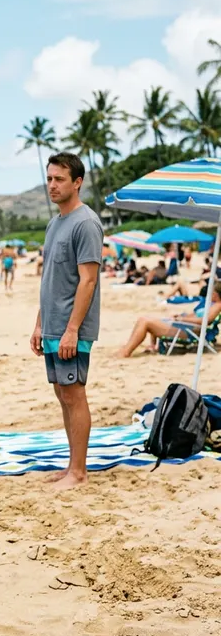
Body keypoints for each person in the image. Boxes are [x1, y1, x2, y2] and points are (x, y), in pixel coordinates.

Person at [30, 153, 102, 491]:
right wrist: (39, 324)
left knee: (74, 394)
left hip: (72, 327)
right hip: (53, 325)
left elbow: (88, 280)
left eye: (59, 179)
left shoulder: (86, 223)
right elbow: (50, 279)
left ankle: (79, 472)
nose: (52, 185)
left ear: (77, 182)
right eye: (49, 179)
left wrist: (72, 330)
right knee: (62, 394)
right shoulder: (54, 224)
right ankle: (71, 466)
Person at [116, 282, 221, 357]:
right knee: (147, 319)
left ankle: (125, 352)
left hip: (190, 331)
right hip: (187, 328)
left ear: (216, 294)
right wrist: (180, 317)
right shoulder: (211, 304)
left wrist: (182, 319)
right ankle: (131, 348)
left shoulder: (218, 306)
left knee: (145, 321)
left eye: (211, 292)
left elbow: (204, 321)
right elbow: (194, 315)